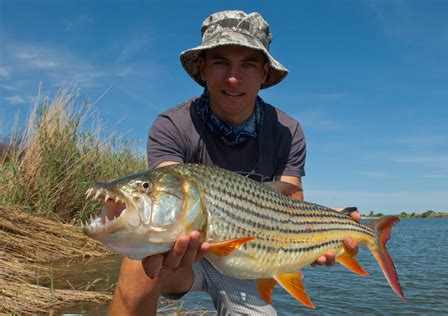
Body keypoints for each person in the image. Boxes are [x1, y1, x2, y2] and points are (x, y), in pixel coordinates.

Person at [109, 10, 360, 315]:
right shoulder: (171, 125)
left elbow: (291, 200)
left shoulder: (287, 131)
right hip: (185, 257)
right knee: (138, 264)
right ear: (202, 68)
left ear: (264, 73)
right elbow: (164, 192)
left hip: (252, 259)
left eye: (248, 65)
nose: (232, 77)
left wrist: (324, 226)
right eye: (220, 62)